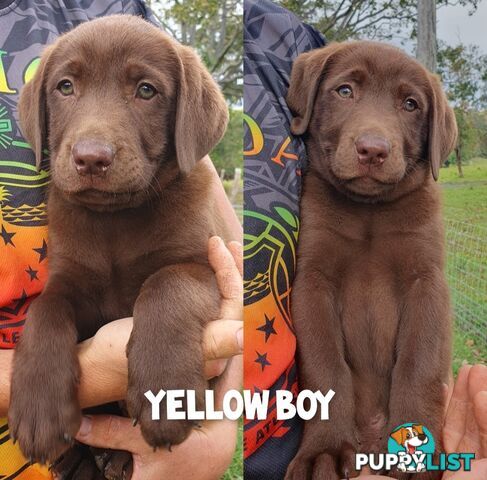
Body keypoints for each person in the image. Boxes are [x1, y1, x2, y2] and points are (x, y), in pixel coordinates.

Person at [242, 0, 487, 478]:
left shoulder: (419, 205)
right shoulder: (312, 194)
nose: (374, 139)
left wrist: (415, 427)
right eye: (346, 90)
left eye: (409, 103)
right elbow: (313, 291)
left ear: (433, 134)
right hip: (331, 420)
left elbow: (426, 302)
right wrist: (328, 428)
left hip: (403, 419)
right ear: (309, 102)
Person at [0, 1, 242, 478]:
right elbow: (69, 297)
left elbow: (225, 271)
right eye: (66, 87)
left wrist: (223, 416)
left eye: (145, 90)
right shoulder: (67, 207)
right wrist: (49, 358)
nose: (92, 146)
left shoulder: (112, 9)